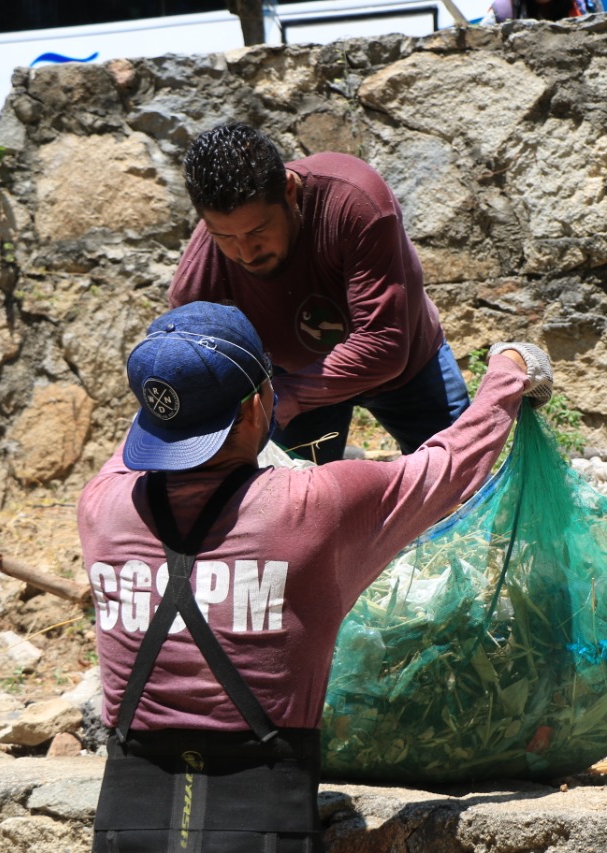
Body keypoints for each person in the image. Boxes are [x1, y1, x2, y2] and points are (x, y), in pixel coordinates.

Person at [79, 300, 552, 852]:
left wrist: (176, 367)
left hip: (124, 830)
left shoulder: (100, 506)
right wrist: (509, 372)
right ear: (259, 405)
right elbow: (450, 465)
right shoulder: (311, 505)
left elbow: (147, 435)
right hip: (263, 828)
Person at [168, 122, 470, 464]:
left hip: (408, 367)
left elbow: (383, 344)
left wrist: (280, 398)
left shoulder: (354, 201)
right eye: (225, 237)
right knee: (295, 501)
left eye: (259, 230)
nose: (246, 252)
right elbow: (194, 358)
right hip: (292, 376)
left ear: (289, 191)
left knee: (463, 479)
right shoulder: (200, 272)